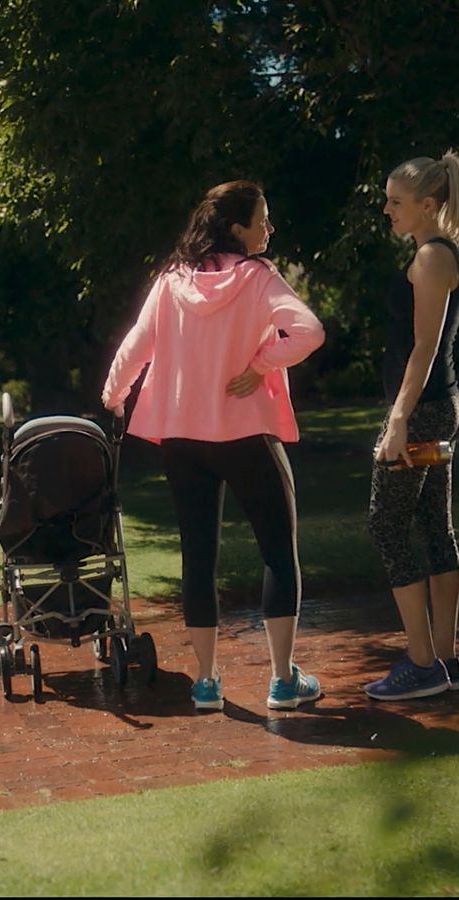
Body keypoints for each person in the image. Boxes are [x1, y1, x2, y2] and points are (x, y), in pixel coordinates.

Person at [101, 180, 326, 711]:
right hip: (245, 435)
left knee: (197, 555)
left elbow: (136, 346)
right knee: (277, 550)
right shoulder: (259, 279)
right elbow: (310, 332)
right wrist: (261, 363)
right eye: (263, 219)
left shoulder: (170, 280)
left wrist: (114, 396)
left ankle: (206, 682)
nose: (269, 229)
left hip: (182, 439)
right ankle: (282, 681)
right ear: (236, 228)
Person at [364, 152, 459, 701]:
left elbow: (423, 349)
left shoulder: (433, 258)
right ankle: (446, 662)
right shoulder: (442, 253)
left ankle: (422, 660)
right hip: (440, 405)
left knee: (387, 526)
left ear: (429, 205)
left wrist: (398, 420)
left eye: (396, 201)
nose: (386, 209)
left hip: (425, 409)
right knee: (433, 529)